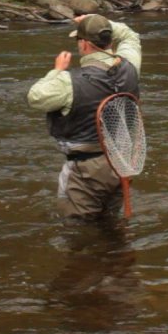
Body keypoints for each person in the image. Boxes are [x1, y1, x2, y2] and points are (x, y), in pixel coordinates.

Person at [27, 13, 142, 220]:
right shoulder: (131, 66)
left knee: (78, 231)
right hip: (121, 163)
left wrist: (57, 71)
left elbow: (35, 97)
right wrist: (101, 22)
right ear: (109, 40)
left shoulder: (68, 81)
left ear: (85, 45)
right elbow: (130, 36)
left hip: (86, 168)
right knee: (109, 223)